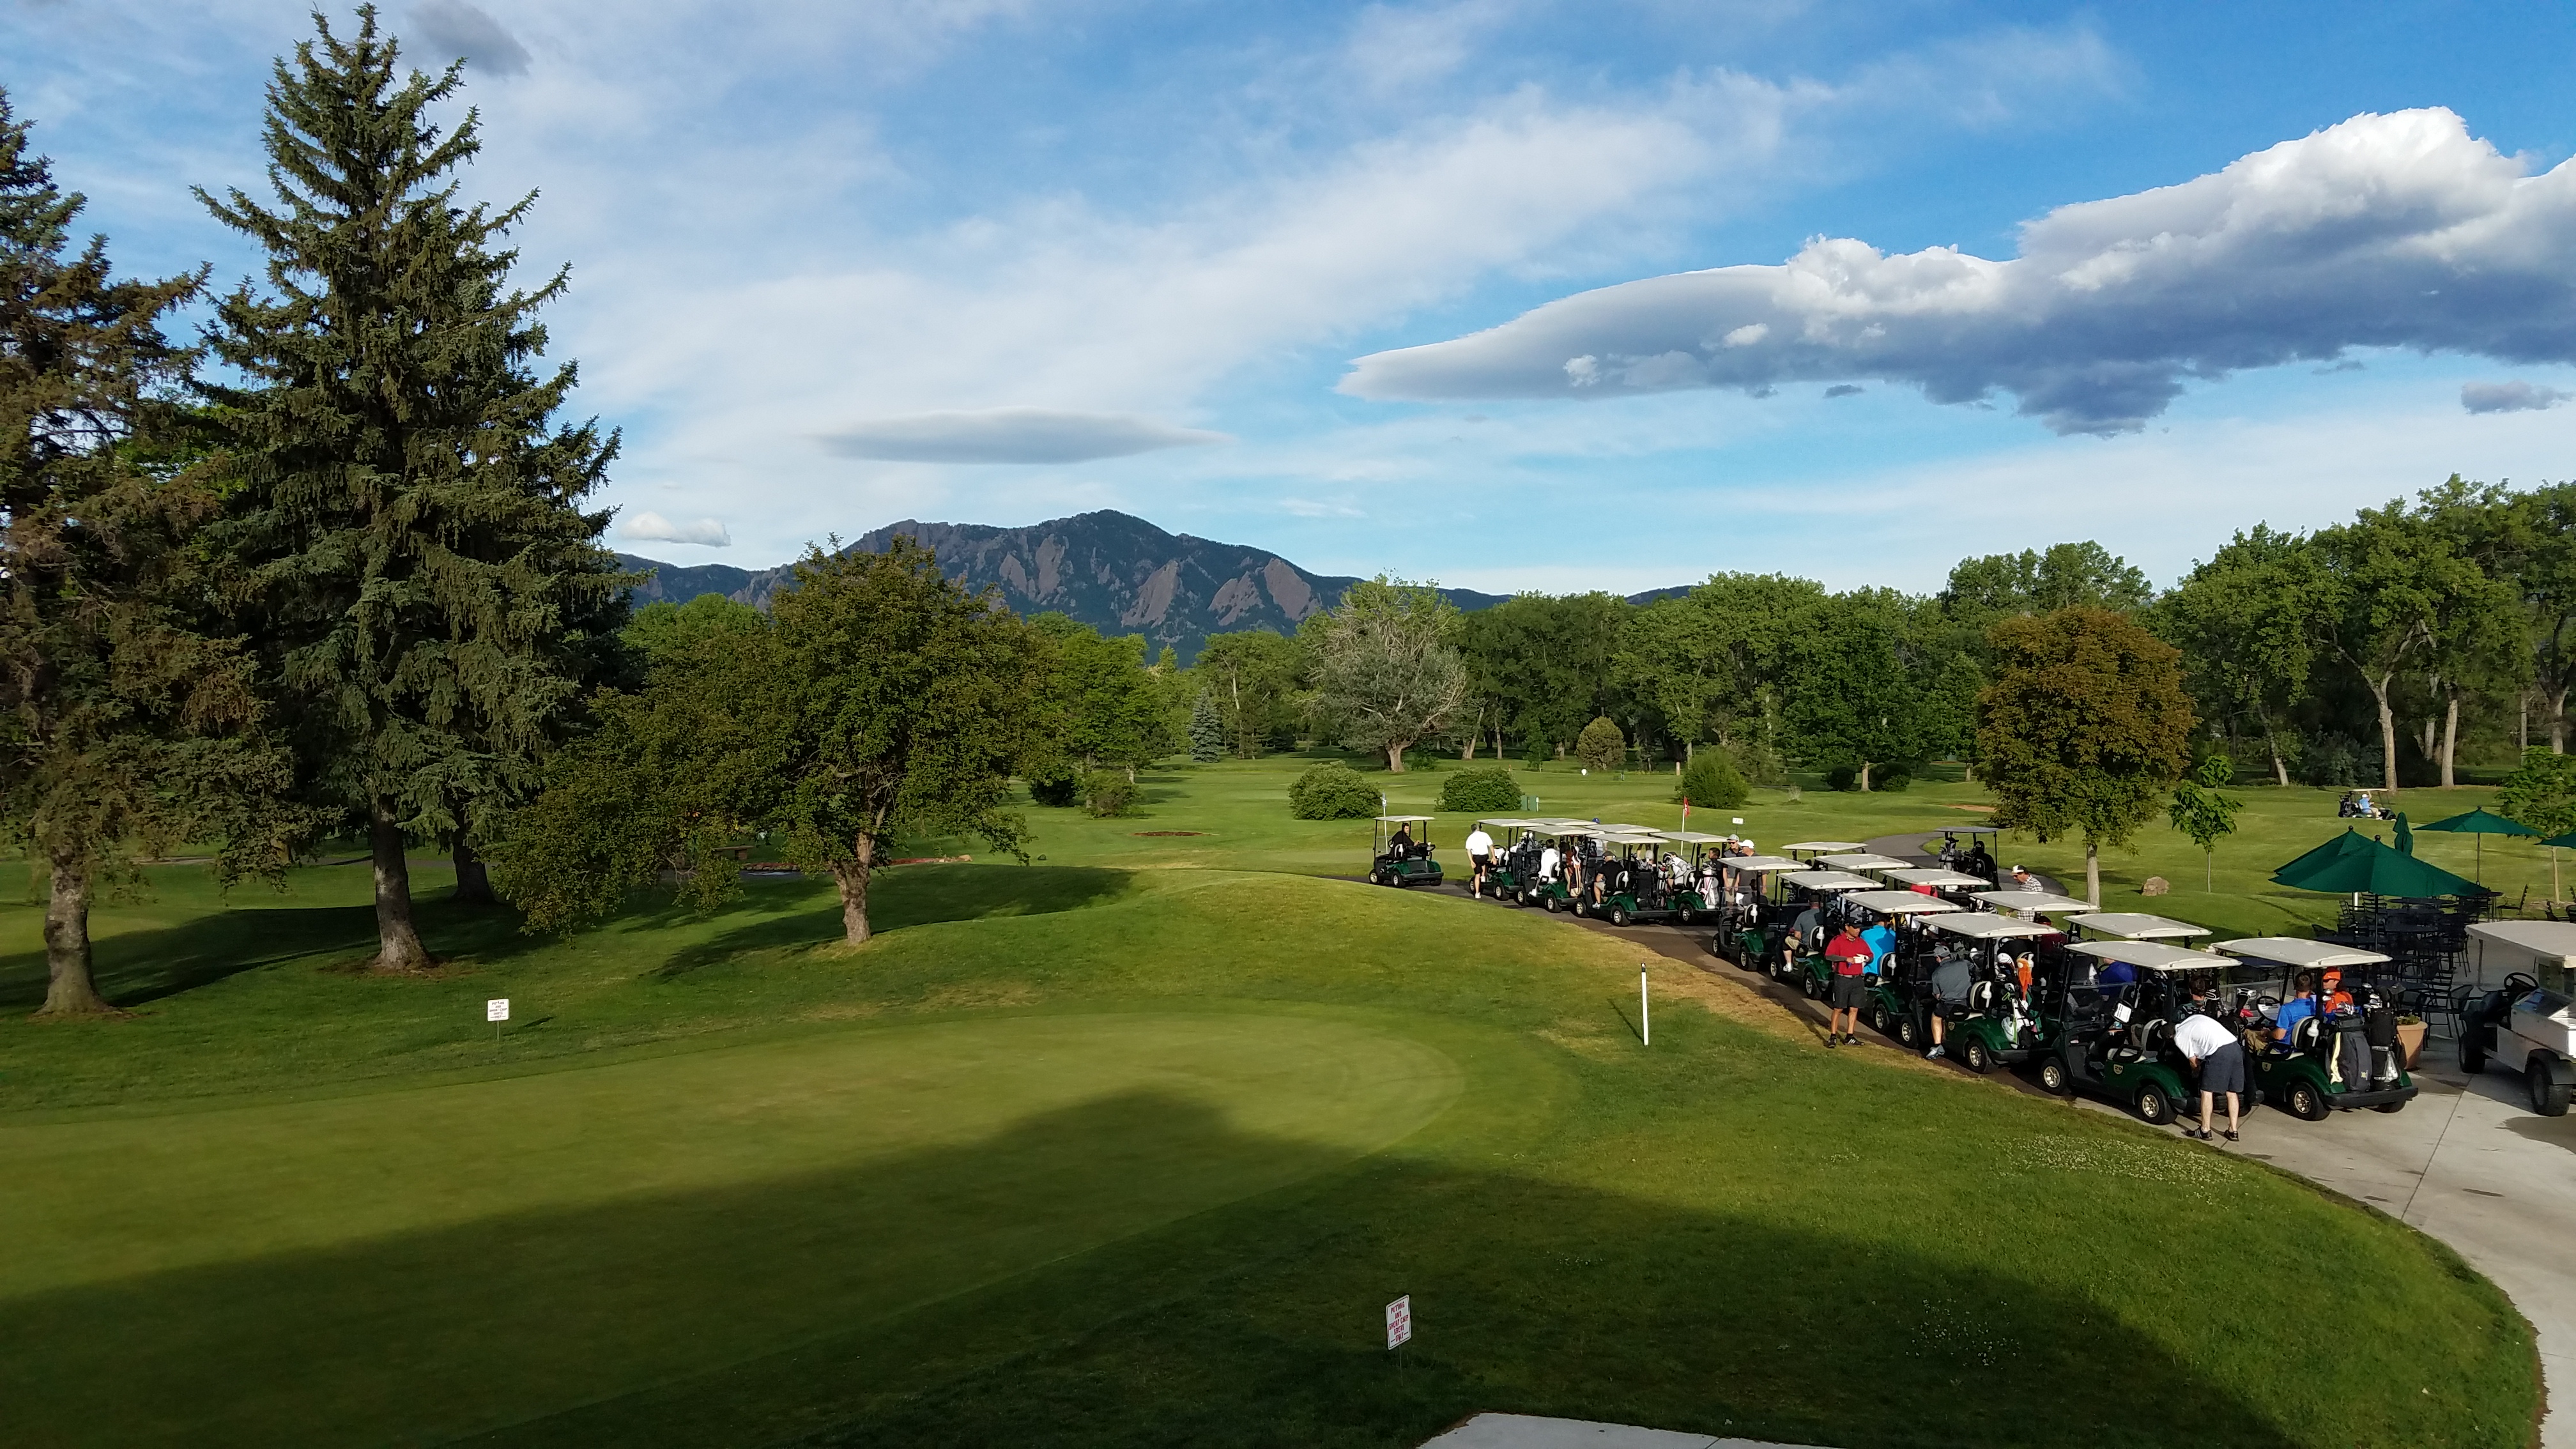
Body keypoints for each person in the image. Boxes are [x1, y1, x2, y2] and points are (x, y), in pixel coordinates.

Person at [2174, 986, 2244, 1142]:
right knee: (2232, 1092)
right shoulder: (2192, 1020)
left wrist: (2197, 1072)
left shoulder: (2179, 1037)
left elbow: (2193, 1062)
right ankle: (2233, 1131)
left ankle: (2205, 1130)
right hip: (2235, 1047)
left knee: (2207, 1091)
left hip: (2219, 1052)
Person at [1824, 921, 1873, 1046]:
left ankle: (1850, 1036)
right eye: (1855, 928)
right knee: (1839, 1008)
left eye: (1859, 928)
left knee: (1854, 1008)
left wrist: (1867, 958)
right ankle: (1833, 1036)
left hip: (1857, 979)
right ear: (1847, 927)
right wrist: (1845, 959)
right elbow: (1829, 956)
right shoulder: (1838, 940)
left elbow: (1870, 955)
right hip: (1842, 979)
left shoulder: (1861, 942)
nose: (1858, 931)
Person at [1926, 949, 1974, 1058]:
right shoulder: (1964, 963)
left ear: (1938, 958)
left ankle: (1938, 1045)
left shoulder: (1936, 974)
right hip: (1967, 1002)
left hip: (1949, 1004)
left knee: (1936, 1017)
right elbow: (1974, 969)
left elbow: (1937, 996)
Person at [1463, 823, 1495, 898]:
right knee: (1484, 864)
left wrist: (1471, 861)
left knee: (1477, 876)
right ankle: (1483, 876)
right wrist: (1494, 857)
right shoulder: (1485, 835)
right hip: (1485, 856)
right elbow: (1491, 846)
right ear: (1478, 828)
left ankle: (1477, 893)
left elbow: (1468, 850)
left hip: (1476, 857)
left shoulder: (1470, 837)